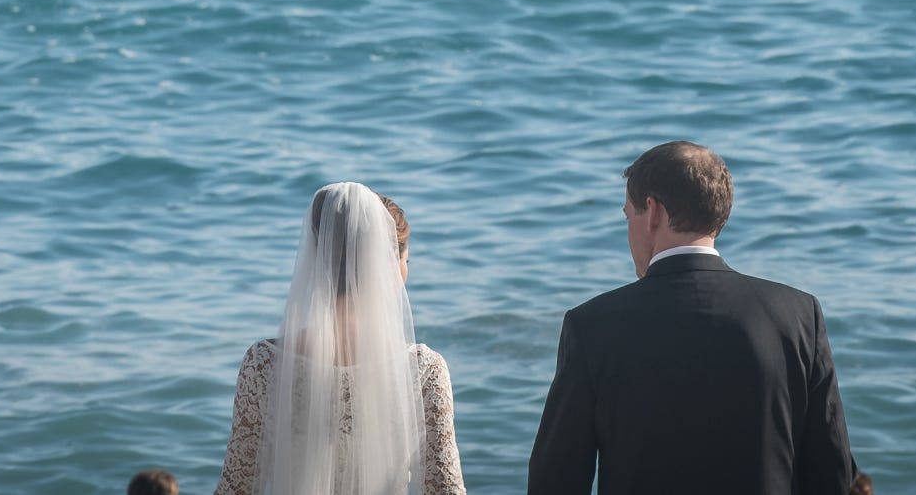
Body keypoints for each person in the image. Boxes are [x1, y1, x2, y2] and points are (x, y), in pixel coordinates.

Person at [527, 141, 858, 495]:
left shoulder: (593, 325)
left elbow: (555, 481)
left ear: (652, 212)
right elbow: (833, 471)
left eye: (628, 216)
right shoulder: (797, 315)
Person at [215, 184, 463, 495]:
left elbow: (235, 487)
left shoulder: (264, 363)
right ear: (389, 266)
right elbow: (446, 490)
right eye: (407, 262)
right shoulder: (425, 370)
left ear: (316, 260)